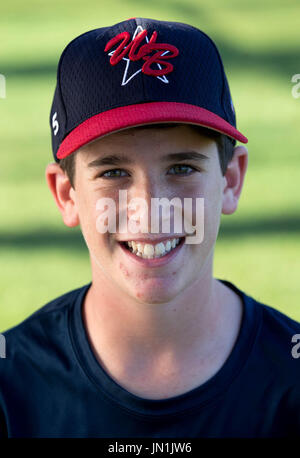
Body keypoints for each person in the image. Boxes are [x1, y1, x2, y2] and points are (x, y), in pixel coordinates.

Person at [0, 17, 299, 439]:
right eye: (113, 172)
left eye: (181, 167)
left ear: (230, 180)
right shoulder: (12, 388)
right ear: (66, 194)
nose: (149, 208)